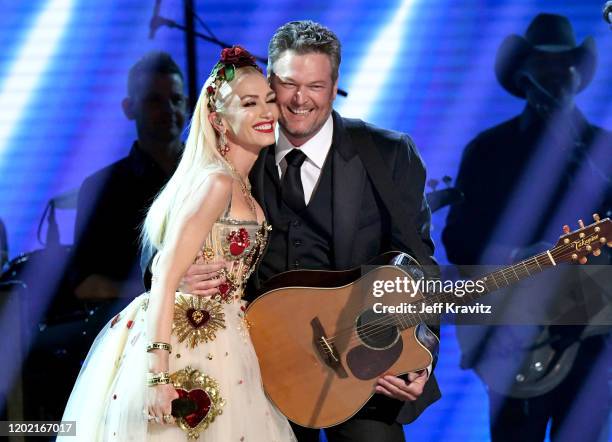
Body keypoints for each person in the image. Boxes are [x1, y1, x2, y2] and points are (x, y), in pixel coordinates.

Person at [158, 20, 442, 442]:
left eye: (315, 86)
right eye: (288, 84)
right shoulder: (236, 146)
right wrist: (176, 273)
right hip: (256, 363)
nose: (299, 100)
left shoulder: (388, 154)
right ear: (269, 82)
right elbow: (165, 233)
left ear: (334, 85)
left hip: (355, 364)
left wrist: (420, 352)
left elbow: (419, 268)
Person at [60, 46, 296, 441]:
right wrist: (158, 375)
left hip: (230, 342)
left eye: (269, 100)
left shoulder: (243, 186)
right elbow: (165, 272)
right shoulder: (216, 182)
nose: (268, 112)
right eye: (250, 103)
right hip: (188, 340)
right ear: (219, 120)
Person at [442, 13, 611, 442]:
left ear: (577, 73)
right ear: (524, 74)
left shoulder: (601, 149)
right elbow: (458, 242)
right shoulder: (488, 150)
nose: (556, 73)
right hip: (512, 331)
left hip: (590, 334)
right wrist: (517, 255)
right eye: (544, 63)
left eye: (565, 63)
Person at [72, 51, 187, 303]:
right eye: (154, 101)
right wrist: (161, 293)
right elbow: (85, 284)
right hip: (134, 329)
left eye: (176, 99)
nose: (168, 109)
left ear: (188, 106)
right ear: (129, 108)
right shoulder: (102, 188)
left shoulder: (214, 173)